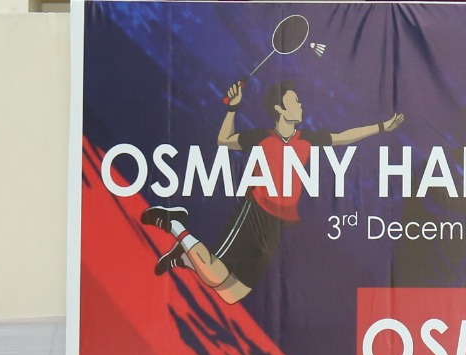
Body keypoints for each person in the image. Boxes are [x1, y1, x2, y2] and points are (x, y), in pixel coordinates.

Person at [142, 79, 404, 303]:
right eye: (295, 101)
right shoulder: (261, 138)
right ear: (280, 108)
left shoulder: (307, 140)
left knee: (232, 294)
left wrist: (381, 127)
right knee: (215, 271)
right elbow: (224, 140)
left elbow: (343, 136)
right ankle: (174, 224)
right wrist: (233, 108)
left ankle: (186, 257)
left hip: (277, 223)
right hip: (253, 213)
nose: (301, 105)